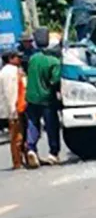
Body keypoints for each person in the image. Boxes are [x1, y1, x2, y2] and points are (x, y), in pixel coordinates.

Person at [25, 28, 62, 168]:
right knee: (51, 125)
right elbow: (55, 81)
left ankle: (31, 148)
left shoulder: (33, 59)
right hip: (47, 99)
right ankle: (53, 153)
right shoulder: (54, 62)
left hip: (31, 97)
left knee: (33, 124)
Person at [0, 49, 26, 169]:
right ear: (10, 59)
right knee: (16, 136)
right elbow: (10, 92)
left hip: (18, 106)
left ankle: (21, 159)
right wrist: (13, 110)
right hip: (15, 108)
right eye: (17, 57)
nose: (19, 59)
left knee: (20, 135)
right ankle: (17, 162)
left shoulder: (12, 70)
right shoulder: (9, 72)